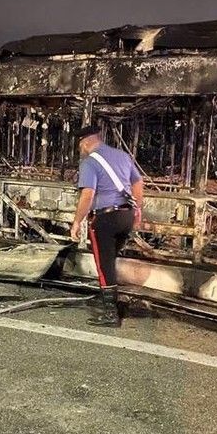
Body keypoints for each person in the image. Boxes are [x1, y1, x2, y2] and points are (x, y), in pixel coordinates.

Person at [70, 125, 144, 327]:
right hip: (126, 217)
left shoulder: (89, 162)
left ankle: (110, 312)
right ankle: (108, 297)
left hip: (106, 219)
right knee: (110, 260)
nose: (80, 151)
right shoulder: (122, 156)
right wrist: (138, 210)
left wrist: (77, 222)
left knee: (104, 265)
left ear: (85, 143)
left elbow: (88, 195)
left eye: (79, 147)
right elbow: (138, 184)